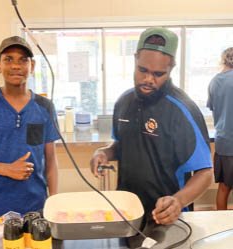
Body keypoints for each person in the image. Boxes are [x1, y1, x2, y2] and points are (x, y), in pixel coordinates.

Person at [90, 27, 213, 225]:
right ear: (135, 60)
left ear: (171, 68)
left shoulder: (183, 110)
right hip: (126, 212)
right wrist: (104, 153)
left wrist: (178, 200)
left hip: (166, 217)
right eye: (143, 70)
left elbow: (205, 173)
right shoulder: (123, 102)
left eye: (158, 74)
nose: (148, 79)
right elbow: (122, 145)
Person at [0, 36, 59, 219]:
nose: (16, 66)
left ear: (33, 66)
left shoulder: (44, 107)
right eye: (9, 59)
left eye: (23, 60)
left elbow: (51, 160)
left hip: (35, 204)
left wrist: (53, 200)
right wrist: (6, 169)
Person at [207, 47, 233, 210]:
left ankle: (222, 229)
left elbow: (214, 108)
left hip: (224, 143)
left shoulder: (214, 82)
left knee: (223, 187)